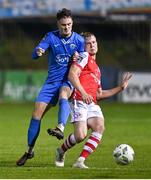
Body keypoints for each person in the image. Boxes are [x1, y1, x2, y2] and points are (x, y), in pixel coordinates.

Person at [16, 8, 84, 166]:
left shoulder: (79, 40)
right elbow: (35, 52)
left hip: (67, 81)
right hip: (51, 83)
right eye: (63, 25)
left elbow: (83, 60)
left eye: (69, 24)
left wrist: (78, 57)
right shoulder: (51, 36)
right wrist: (38, 51)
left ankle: (60, 127)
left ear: (72, 23)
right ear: (57, 24)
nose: (66, 27)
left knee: (63, 94)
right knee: (35, 116)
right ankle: (29, 151)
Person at [54, 32, 132, 168]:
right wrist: (83, 93)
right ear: (83, 46)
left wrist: (120, 88)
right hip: (79, 100)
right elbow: (72, 75)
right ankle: (61, 151)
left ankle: (80, 161)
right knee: (80, 136)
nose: (92, 45)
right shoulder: (83, 57)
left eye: (94, 42)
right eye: (88, 43)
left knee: (99, 126)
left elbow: (98, 94)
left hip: (91, 103)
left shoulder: (97, 68)